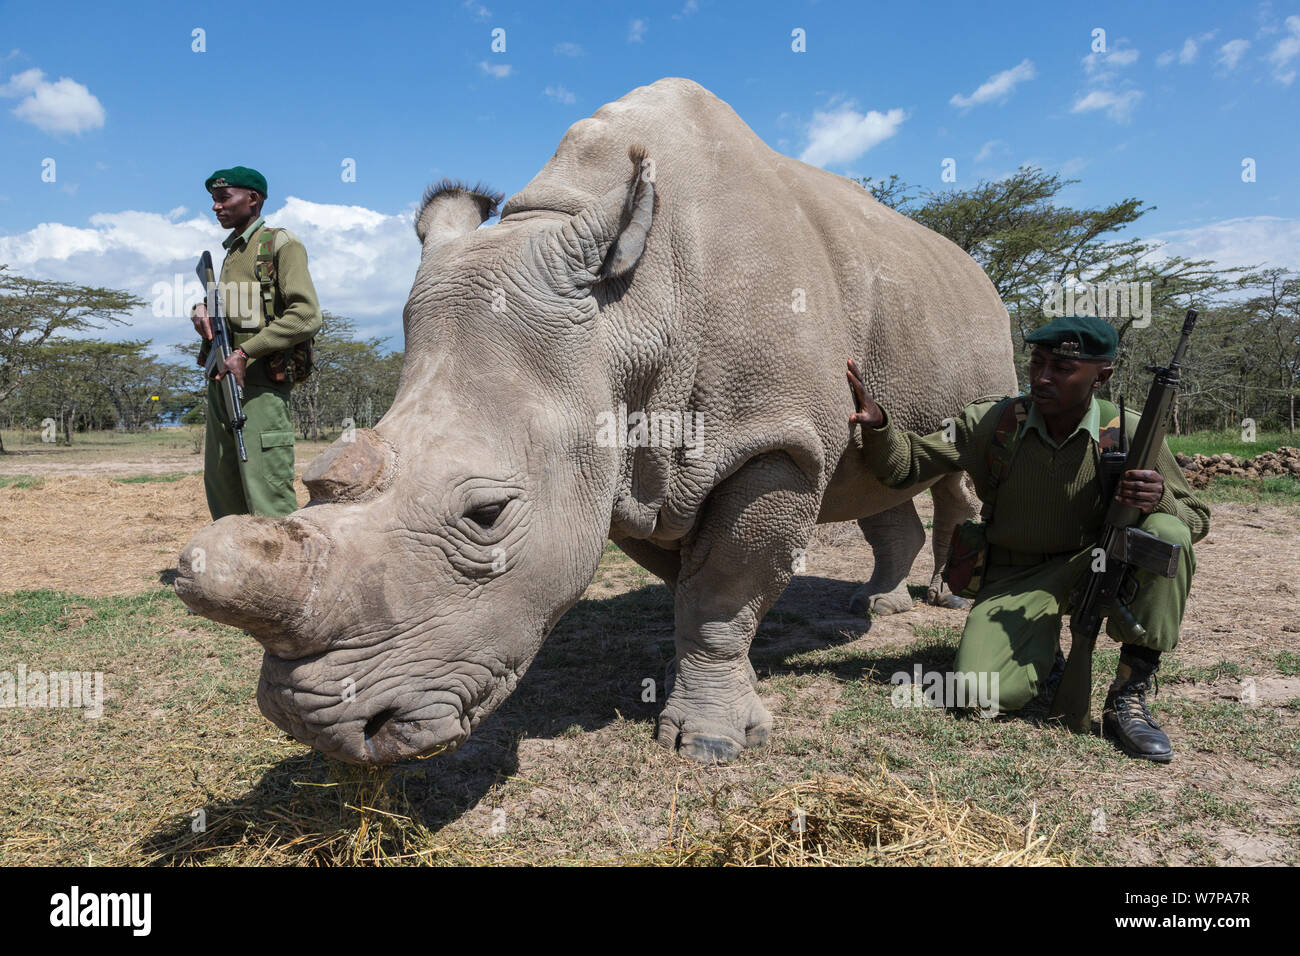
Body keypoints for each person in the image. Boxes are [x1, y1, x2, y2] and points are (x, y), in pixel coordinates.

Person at [845, 315, 1210, 762]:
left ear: (1103, 376)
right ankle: (1048, 658)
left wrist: (1159, 501)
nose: (1042, 377)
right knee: (977, 695)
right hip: (1015, 575)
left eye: (1061, 368)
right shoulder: (993, 422)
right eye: (1037, 363)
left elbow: (1195, 520)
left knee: (1167, 534)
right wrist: (878, 424)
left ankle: (1128, 693)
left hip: (1096, 566)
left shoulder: (1128, 431)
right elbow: (907, 466)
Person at [190, 165, 322, 520]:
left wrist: (245, 353)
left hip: (260, 382)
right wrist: (201, 307)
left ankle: (285, 571)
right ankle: (234, 565)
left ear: (253, 199)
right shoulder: (232, 252)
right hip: (221, 378)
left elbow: (307, 315)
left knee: (266, 487)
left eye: (223, 198)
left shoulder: (281, 244)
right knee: (223, 482)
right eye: (213, 200)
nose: (216, 207)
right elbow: (232, 309)